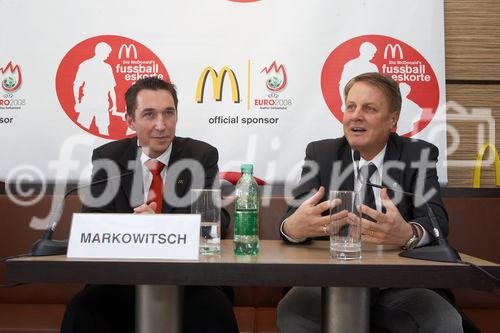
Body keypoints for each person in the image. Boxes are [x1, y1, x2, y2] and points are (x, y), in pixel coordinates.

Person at [277, 72, 464, 332]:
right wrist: (293, 228)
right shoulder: (321, 154)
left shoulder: (417, 155)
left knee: (443, 321)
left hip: (399, 286)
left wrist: (408, 234)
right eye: (351, 107)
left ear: (393, 119)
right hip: (330, 283)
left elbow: (437, 222)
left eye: (369, 109)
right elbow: (293, 219)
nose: (356, 115)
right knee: (292, 312)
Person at [61, 77, 238, 333]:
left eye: (169, 113)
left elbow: (216, 222)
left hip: (190, 283)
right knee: (82, 309)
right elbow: (93, 223)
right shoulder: (108, 158)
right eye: (149, 115)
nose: (161, 125)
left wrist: (160, 226)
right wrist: (135, 229)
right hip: (121, 283)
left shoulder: (201, 156)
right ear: (130, 120)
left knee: (215, 311)